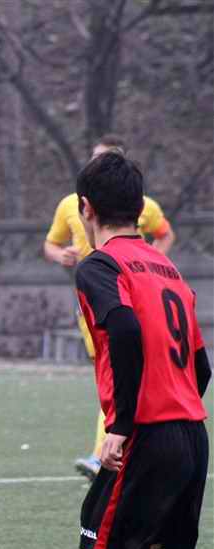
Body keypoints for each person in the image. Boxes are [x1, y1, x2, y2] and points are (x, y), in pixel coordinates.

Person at [54, 151, 213, 549]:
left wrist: (121, 426)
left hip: (146, 436)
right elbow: (201, 364)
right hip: (189, 433)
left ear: (85, 209)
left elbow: (121, 329)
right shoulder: (167, 267)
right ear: (141, 210)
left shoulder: (100, 266)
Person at [43, 134, 177, 480]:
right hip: (96, 299)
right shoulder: (69, 205)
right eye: (95, 157)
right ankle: (120, 440)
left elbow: (165, 233)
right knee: (118, 367)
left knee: (118, 365)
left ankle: (110, 444)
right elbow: (50, 244)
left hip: (126, 295)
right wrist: (61, 255)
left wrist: (151, 264)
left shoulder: (139, 216)